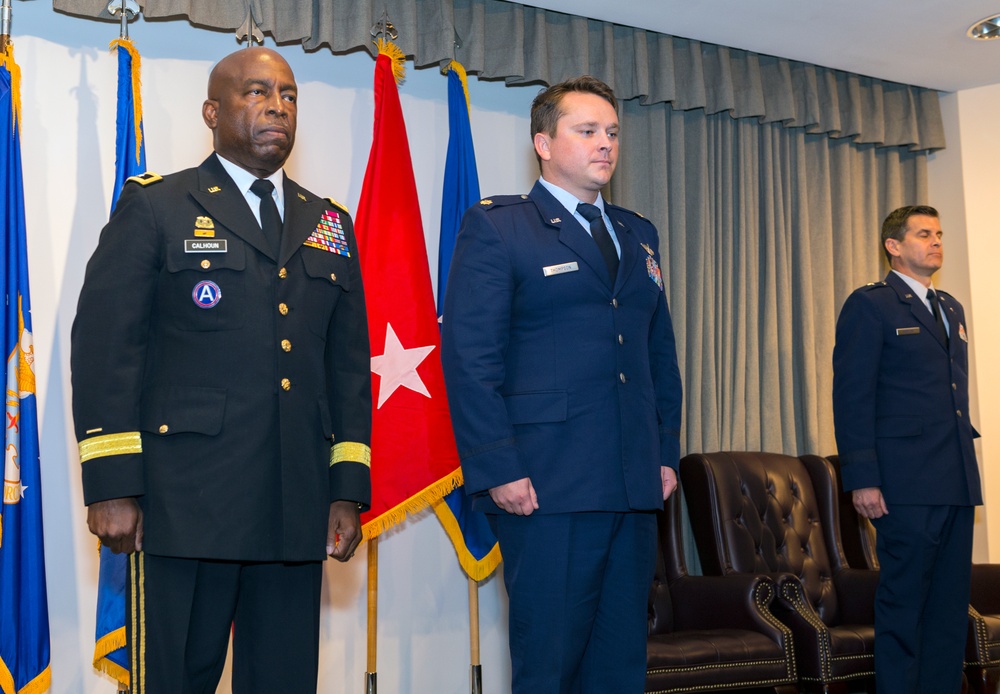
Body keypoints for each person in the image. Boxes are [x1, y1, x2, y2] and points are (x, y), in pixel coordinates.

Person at [71, 47, 372, 693]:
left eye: (288, 95)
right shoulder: (158, 206)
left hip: (295, 506)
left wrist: (345, 486)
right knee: (176, 680)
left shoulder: (328, 224)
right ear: (212, 111)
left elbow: (346, 368)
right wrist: (112, 484)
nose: (277, 106)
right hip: (185, 505)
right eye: (256, 91)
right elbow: (106, 348)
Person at [440, 76, 683, 693]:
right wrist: (497, 468)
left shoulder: (638, 234)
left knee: (620, 664)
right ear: (543, 142)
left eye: (612, 133)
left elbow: (657, 353)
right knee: (550, 663)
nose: (605, 144)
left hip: (630, 481)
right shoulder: (501, 227)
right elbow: (471, 360)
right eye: (587, 131)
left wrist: (664, 453)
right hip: (546, 483)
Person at [832, 205, 981, 693]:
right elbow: (852, 396)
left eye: (939, 234)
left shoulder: (951, 307)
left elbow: (953, 401)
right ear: (893, 246)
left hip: (954, 478)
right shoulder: (871, 305)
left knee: (947, 609)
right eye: (923, 234)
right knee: (904, 605)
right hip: (903, 483)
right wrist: (862, 477)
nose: (936, 242)